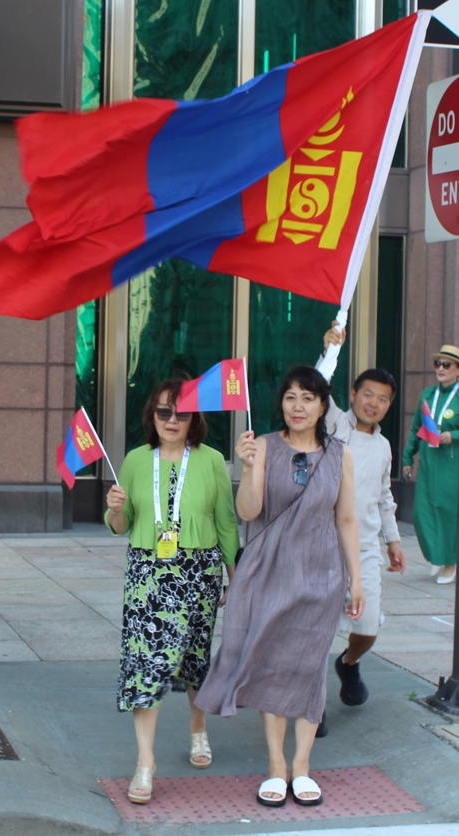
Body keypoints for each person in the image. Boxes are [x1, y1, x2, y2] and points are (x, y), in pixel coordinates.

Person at [196, 366, 364, 809]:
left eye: (308, 398)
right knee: (270, 662)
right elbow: (248, 512)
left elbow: (346, 519)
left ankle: (303, 766)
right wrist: (250, 466)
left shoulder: (340, 454)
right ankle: (276, 766)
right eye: (291, 397)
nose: (298, 406)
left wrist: (356, 579)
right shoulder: (265, 446)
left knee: (308, 666)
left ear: (323, 405)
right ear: (281, 404)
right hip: (269, 570)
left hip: (322, 572)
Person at [105, 378, 239, 805]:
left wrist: (236, 575)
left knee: (194, 658)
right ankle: (145, 762)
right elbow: (120, 526)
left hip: (199, 571)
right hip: (148, 573)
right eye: (164, 411)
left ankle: (198, 729)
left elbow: (226, 522)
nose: (172, 420)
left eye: (181, 412)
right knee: (146, 662)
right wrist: (114, 509)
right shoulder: (134, 460)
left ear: (194, 418)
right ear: (152, 416)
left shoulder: (213, 459)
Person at [320, 324, 405, 710]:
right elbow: (318, 387)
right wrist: (330, 351)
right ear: (353, 395)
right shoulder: (335, 424)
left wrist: (394, 541)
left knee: (368, 628)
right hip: (322, 544)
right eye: (367, 394)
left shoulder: (385, 446)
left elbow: (385, 496)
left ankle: (349, 663)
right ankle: (312, 703)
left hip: (366, 548)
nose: (373, 402)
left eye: (382, 398)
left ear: (389, 405)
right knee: (316, 631)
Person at [403, 344, 459, 585]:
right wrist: (407, 458)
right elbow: (417, 428)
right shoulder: (428, 394)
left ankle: (450, 563)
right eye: (438, 364)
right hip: (428, 463)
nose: (441, 368)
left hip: (450, 465)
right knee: (421, 513)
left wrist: (452, 436)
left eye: (447, 364)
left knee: (447, 513)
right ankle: (437, 556)